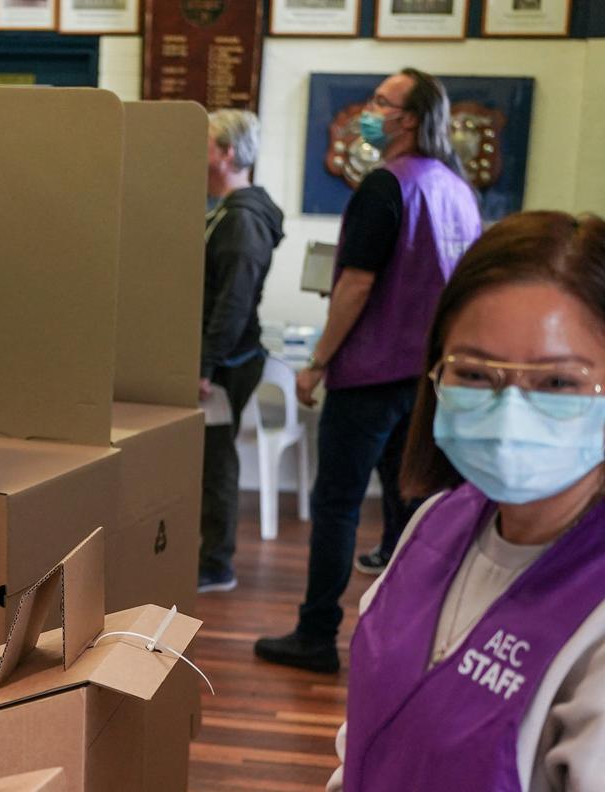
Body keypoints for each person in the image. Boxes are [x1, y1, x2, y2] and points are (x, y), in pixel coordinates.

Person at [326, 211, 605, 790]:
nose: (509, 415)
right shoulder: (436, 524)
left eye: (557, 383)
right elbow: (369, 734)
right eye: (476, 374)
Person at [255, 68, 482, 673]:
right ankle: (410, 634)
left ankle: (315, 633)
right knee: (413, 509)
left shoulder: (386, 185)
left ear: (408, 119)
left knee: (338, 505)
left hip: (370, 375)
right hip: (430, 379)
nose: (369, 110)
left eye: (382, 102)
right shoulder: (456, 189)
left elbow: (356, 283)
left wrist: (316, 363)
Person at [197, 109, 284, 594]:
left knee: (216, 459)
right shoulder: (231, 211)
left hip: (227, 364)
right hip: (226, 359)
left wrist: (205, 364)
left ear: (227, 153)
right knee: (212, 457)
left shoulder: (242, 220)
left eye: (205, 141)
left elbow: (232, 302)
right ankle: (210, 554)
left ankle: (217, 564)